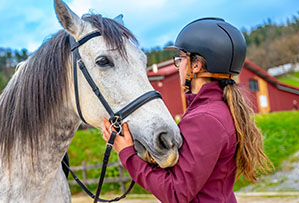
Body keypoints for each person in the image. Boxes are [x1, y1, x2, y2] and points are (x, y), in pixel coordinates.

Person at [102, 17, 273, 203]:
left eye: (181, 58)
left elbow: (176, 192)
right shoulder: (218, 110)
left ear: (196, 66)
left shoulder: (205, 119)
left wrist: (126, 152)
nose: (179, 66)